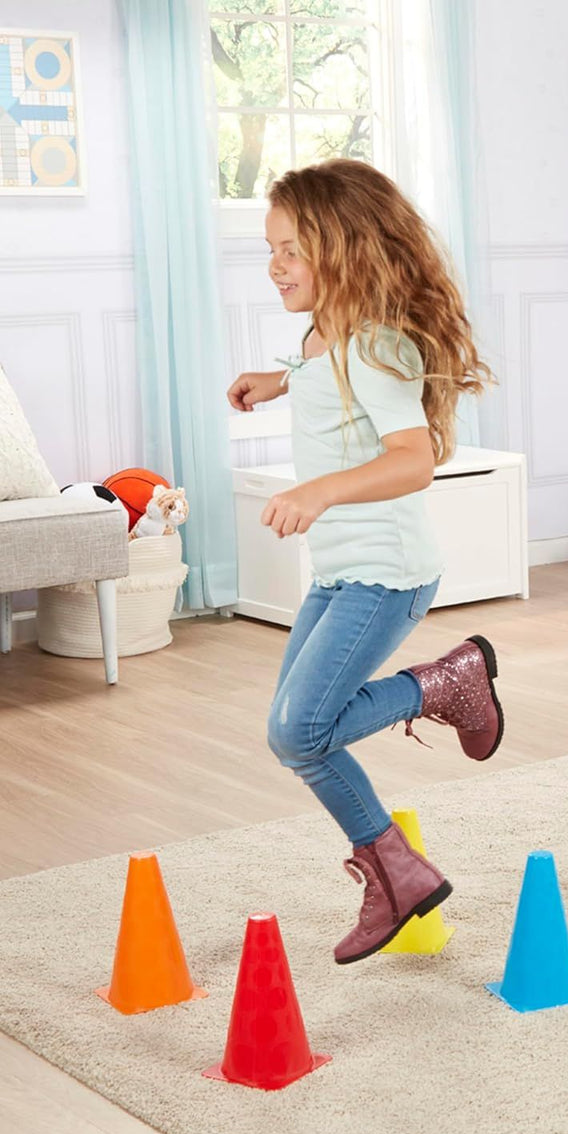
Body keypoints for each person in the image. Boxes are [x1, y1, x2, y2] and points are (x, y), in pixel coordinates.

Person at [226, 159, 501, 965]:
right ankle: (400, 866)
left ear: (341, 249)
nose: (273, 265)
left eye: (289, 250)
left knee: (301, 730)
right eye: (269, 249)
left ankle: (445, 696)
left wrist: (318, 492)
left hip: (386, 573)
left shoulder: (378, 347)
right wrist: (278, 382)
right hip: (346, 572)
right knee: (294, 732)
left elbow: (412, 458)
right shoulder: (325, 337)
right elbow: (325, 374)